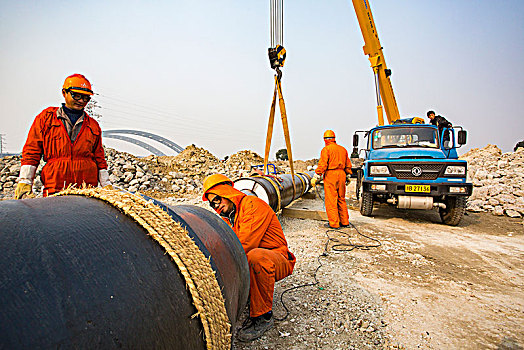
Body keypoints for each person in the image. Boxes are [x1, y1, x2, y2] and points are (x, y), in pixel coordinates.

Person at [202, 174, 296, 342]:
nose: (217, 206)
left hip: (276, 258)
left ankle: (263, 316)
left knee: (254, 257)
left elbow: (243, 244)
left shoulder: (252, 205)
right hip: (259, 258)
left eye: (218, 199)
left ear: (227, 192)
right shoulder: (231, 214)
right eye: (212, 203)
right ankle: (252, 296)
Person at [14, 74, 111, 199]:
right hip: (55, 188)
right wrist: (25, 181)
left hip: (87, 191)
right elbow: (32, 151)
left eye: (86, 98)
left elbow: (99, 158)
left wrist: (106, 184)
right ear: (64, 92)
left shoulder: (93, 125)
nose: (81, 101)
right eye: (76, 95)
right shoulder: (46, 119)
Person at [311, 130, 352, 229]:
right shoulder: (343, 149)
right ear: (334, 138)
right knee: (341, 199)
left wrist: (316, 176)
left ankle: (334, 224)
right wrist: (347, 176)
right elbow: (347, 164)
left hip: (331, 175)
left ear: (325, 139)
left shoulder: (326, 149)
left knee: (331, 200)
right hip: (342, 174)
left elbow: (323, 165)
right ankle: (345, 222)